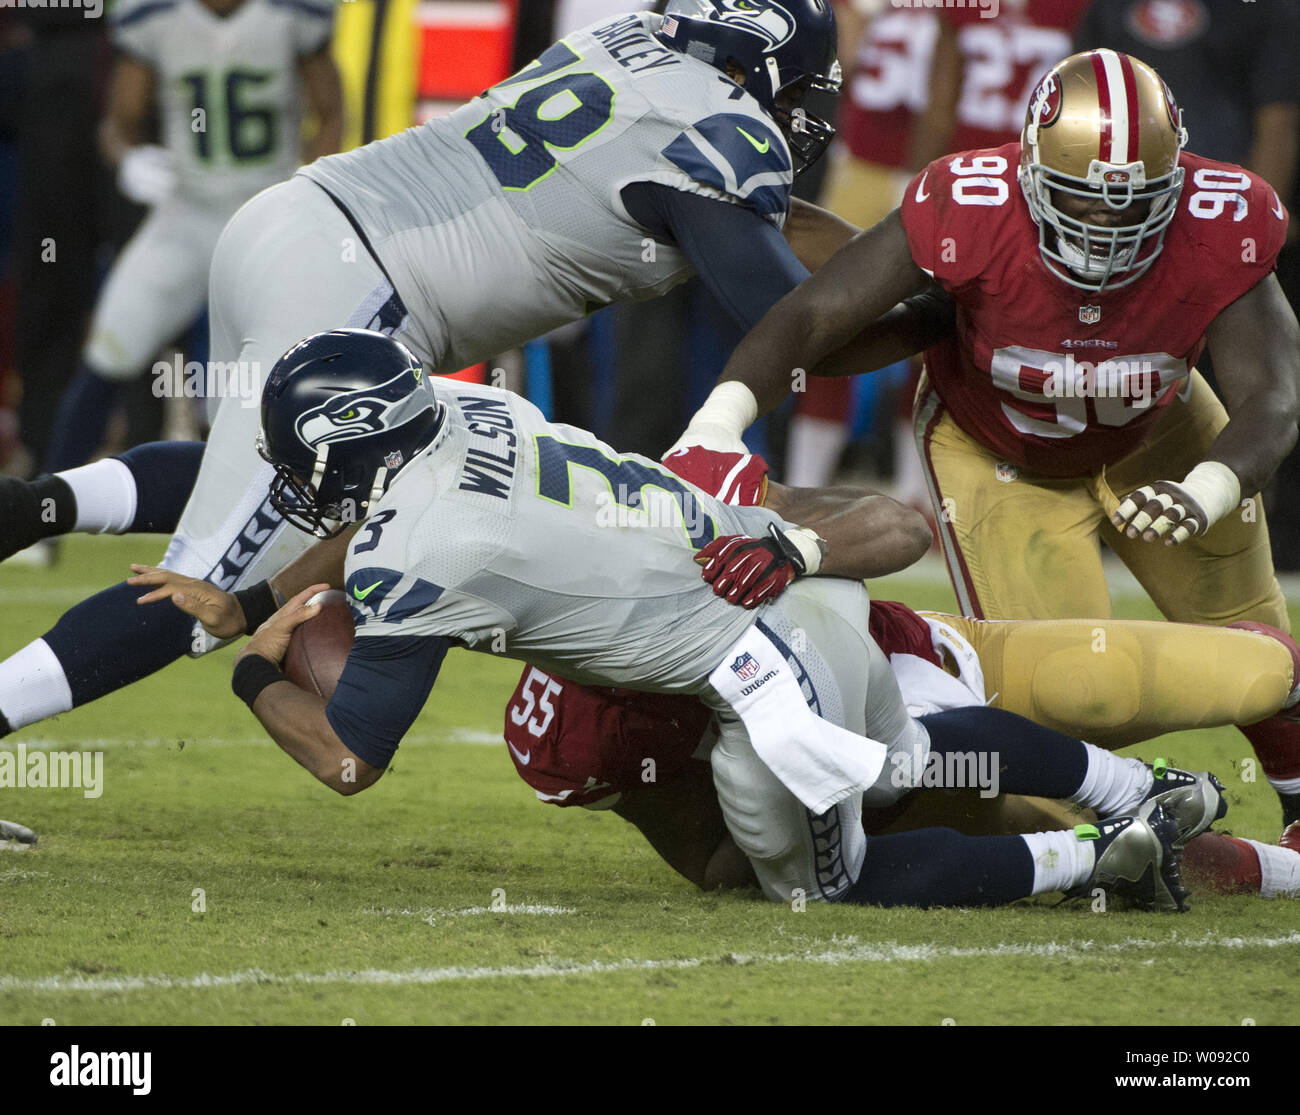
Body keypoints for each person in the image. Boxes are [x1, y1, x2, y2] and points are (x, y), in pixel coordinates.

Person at [140, 327, 1225, 913]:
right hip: (800, 585)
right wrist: (250, 602)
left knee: (827, 885)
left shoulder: (422, 551)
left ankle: (1098, 857)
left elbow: (349, 763)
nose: (295, 480)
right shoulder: (469, 408)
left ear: (359, 439)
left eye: (306, 456)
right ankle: (1137, 788)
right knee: (900, 754)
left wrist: (251, 667)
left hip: (762, 672)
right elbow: (384, 519)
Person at [0, 0, 857, 737]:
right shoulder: (715, 132)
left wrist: (909, 263)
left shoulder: (628, 47)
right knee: (213, 590)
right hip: (361, 287)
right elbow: (802, 322)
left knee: (274, 481)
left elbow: (782, 231)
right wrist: (935, 312)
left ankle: (33, 505)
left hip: (296, 219)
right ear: (766, 58)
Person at [668, 48, 1300, 825]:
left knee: (1261, 644)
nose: (1105, 224)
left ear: (1177, 183)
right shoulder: (968, 203)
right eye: (1083, 200)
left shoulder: (1222, 216)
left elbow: (1273, 398)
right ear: (1030, 174)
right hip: (999, 451)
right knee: (1073, 691)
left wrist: (1203, 489)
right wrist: (716, 424)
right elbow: (812, 317)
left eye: (1133, 204)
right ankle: (1164, 817)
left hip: (1160, 431)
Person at [496, 449, 1300, 902]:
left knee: (1261, 674)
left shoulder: (694, 504)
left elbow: (898, 527)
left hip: (924, 657)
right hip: (846, 784)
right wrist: (793, 811)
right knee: (1118, 858)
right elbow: (712, 863)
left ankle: (1160, 787)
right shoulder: (576, 731)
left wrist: (796, 548)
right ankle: (1272, 866)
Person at [41, 0, 342, 475]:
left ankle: (291, 522)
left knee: (282, 381)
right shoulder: (154, 15)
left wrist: (309, 180)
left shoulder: (292, 13)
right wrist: (129, 159)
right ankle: (45, 517)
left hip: (267, 218)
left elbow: (331, 114)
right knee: (109, 351)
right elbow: (118, 124)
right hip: (186, 215)